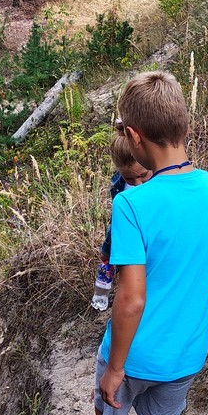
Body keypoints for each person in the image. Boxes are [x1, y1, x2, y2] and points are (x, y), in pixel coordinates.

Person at [96, 71, 208, 415]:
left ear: (134, 137)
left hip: (134, 352)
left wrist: (115, 368)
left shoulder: (131, 203)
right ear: (185, 126)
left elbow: (131, 298)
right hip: (185, 351)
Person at [93, 131, 152, 311]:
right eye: (130, 178)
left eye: (143, 175)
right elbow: (116, 220)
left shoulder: (162, 182)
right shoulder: (119, 186)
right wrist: (107, 250)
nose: (138, 183)